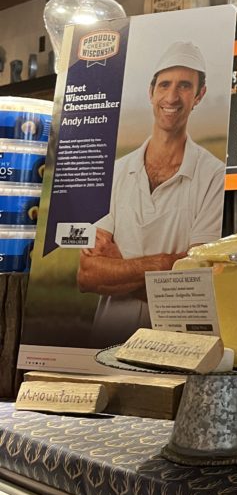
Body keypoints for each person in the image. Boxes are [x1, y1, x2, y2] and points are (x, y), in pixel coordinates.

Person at [78, 41, 225, 346]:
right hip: (106, 342)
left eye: (185, 86)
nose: (171, 97)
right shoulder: (116, 171)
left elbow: (195, 284)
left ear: (200, 95)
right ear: (151, 91)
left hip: (176, 346)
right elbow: (88, 275)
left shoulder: (213, 176)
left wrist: (121, 266)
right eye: (164, 85)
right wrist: (164, 266)